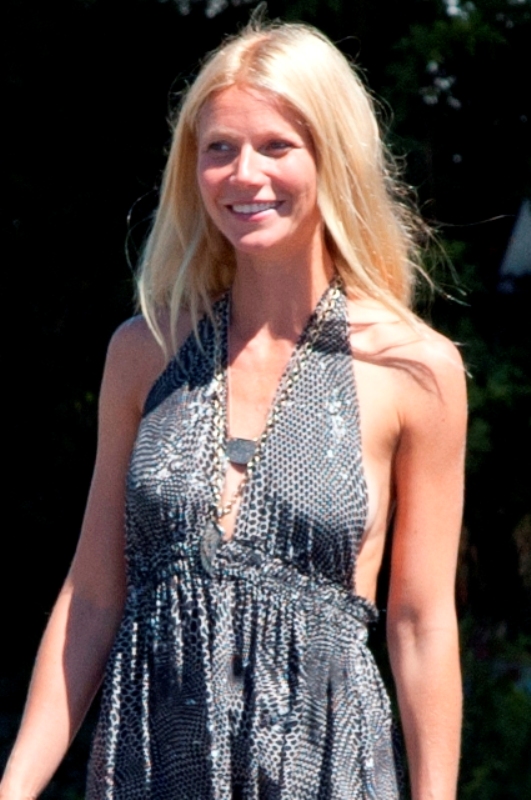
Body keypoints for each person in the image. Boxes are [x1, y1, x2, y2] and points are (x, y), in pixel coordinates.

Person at [0, 20, 466, 800]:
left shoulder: (415, 369)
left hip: (326, 771)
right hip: (154, 766)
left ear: (333, 157)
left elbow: (420, 625)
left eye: (276, 146)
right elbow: (92, 596)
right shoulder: (144, 351)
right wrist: (15, 785)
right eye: (219, 148)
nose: (244, 174)